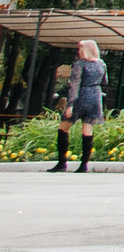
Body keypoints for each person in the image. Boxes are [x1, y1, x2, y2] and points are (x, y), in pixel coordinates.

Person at [49, 40, 105, 173]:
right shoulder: (101, 64)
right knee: (87, 130)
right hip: (96, 97)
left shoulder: (80, 65)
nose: (78, 51)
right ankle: (84, 165)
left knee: (63, 128)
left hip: (81, 97)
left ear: (86, 50)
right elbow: (105, 81)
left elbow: (75, 85)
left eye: (80, 49)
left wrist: (70, 105)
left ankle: (62, 163)